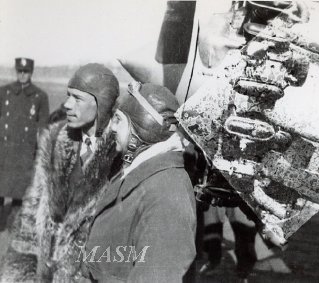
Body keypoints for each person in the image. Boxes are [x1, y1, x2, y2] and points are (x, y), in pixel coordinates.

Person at [0, 63, 120, 282]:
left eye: (77, 98)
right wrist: (18, 275)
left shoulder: (120, 155)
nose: (66, 104)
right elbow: (30, 217)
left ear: (100, 103)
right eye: (67, 96)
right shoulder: (56, 139)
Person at [82, 82, 196, 282]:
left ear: (143, 126)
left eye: (118, 120)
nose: (112, 127)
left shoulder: (167, 193)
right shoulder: (142, 171)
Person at [0, 57, 49, 203]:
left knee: (21, 194)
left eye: (26, 72)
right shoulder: (4, 92)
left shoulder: (40, 96)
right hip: (4, 150)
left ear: (31, 72)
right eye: (20, 71)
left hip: (25, 153)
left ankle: (16, 224)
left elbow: (43, 127)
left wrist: (41, 151)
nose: (22, 74)